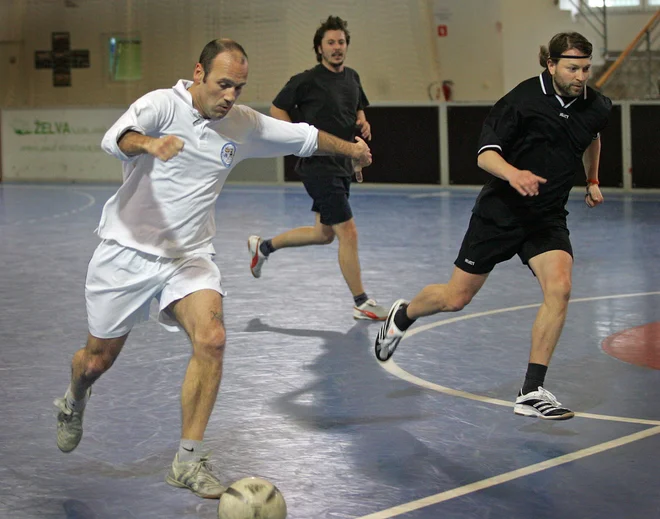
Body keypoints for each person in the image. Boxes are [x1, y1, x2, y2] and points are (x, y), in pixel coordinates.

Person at [53, 38, 371, 499]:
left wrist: (352, 151)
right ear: (199, 73)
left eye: (238, 88)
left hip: (188, 256)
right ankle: (73, 399)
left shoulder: (239, 124)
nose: (230, 96)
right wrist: (150, 144)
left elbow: (305, 135)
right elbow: (116, 139)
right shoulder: (163, 104)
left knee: (213, 337)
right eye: (223, 85)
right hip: (125, 253)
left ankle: (187, 459)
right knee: (96, 361)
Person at [374, 32, 612, 420]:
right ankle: (404, 314)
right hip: (501, 213)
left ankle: (531, 391)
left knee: (561, 287)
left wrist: (594, 180)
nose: (580, 76)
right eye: (572, 68)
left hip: (546, 216)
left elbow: (592, 137)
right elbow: (486, 155)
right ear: (550, 64)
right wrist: (514, 174)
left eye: (586, 67)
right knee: (455, 298)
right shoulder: (520, 101)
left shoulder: (597, 104)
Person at [247, 15, 388, 321]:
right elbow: (276, 108)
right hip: (317, 164)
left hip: (341, 164)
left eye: (341, 42)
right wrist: (295, 138)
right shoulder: (307, 80)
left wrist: (362, 120)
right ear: (319, 48)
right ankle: (361, 302)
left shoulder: (352, 77)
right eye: (330, 43)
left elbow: (357, 108)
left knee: (323, 234)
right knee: (348, 232)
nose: (337, 48)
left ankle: (264, 247)